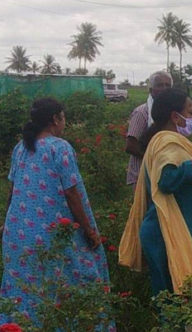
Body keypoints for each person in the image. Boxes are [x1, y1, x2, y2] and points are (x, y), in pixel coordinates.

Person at [0, 98, 111, 325]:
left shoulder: (20, 148)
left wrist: (6, 223)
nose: (64, 123)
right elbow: (72, 194)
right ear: (55, 119)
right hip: (51, 233)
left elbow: (12, 191)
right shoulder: (60, 147)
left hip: (18, 233)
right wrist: (89, 230)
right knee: (70, 280)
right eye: (63, 118)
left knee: (26, 286)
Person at [119, 88, 192, 295]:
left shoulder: (165, 141)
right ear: (175, 116)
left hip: (173, 228)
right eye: (191, 112)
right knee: (186, 294)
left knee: (179, 295)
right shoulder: (167, 144)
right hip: (170, 231)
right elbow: (166, 180)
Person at [125, 71, 172, 187]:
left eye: (167, 85)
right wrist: (156, 159)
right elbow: (130, 146)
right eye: (160, 85)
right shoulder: (142, 113)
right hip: (142, 176)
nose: (164, 89)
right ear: (151, 90)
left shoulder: (171, 112)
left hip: (162, 175)